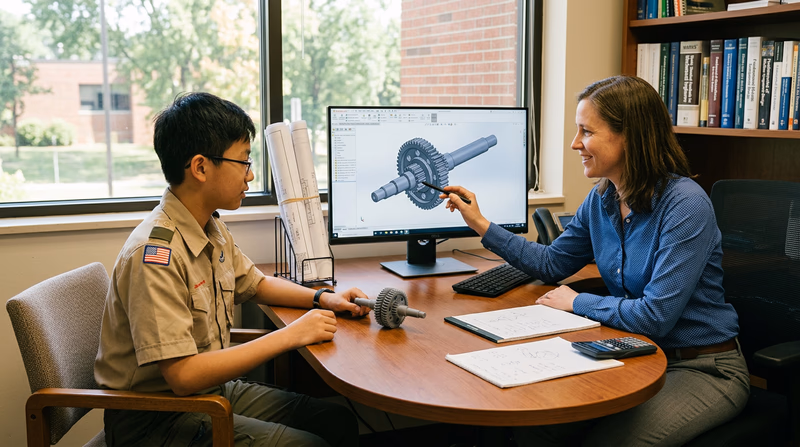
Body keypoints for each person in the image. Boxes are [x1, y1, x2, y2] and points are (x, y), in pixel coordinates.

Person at [439, 75, 749, 446]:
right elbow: (552, 264)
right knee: (539, 425)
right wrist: (481, 224)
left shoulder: (685, 205)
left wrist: (576, 302)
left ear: (629, 137)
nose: (575, 144)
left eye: (586, 132)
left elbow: (656, 317)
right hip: (636, 354)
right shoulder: (602, 199)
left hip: (703, 367)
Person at [94, 92, 369, 447]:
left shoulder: (209, 225)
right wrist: (291, 335)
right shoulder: (155, 255)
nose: (251, 175)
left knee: (336, 421)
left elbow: (255, 284)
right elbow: (182, 376)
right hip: (156, 419)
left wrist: (323, 298)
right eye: (243, 161)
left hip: (209, 393)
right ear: (201, 167)